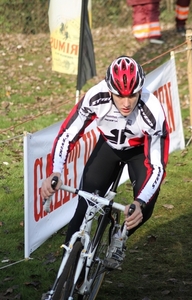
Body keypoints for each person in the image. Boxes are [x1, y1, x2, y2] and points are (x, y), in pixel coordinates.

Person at [41, 56, 169, 264]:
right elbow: (67, 134)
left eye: (132, 95)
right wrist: (56, 171)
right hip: (108, 146)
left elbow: (157, 167)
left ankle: (119, 237)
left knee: (144, 207)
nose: (126, 103)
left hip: (139, 152)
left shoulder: (152, 110)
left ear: (141, 90)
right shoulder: (96, 96)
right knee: (83, 207)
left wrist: (139, 201)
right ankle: (64, 276)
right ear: (109, 90)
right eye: (119, 96)